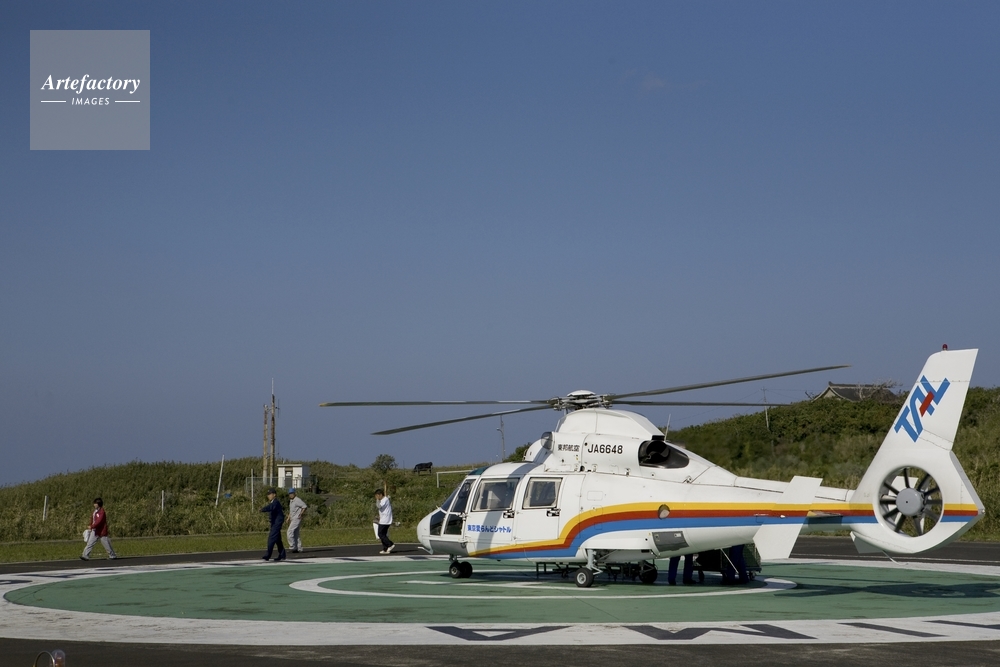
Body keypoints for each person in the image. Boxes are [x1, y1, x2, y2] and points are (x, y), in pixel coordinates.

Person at [260, 488, 286, 561]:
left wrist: (263, 509)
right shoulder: (273, 502)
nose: (268, 496)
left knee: (271, 539)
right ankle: (282, 554)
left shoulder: (275, 502)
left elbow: (271, 507)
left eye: (270, 494)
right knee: (278, 539)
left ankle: (267, 555)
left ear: (274, 495)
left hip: (276, 523)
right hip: (274, 523)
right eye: (268, 494)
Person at [285, 488, 308, 553]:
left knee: (289, 532)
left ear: (294, 493)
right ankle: (298, 548)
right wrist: (288, 518)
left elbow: (304, 506)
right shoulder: (291, 501)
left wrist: (301, 514)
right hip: (292, 518)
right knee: (296, 534)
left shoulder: (297, 500)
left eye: (292, 493)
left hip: (296, 518)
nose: (291, 495)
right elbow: (291, 511)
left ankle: (292, 546)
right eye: (290, 494)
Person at [374, 489, 394, 554]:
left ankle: (390, 544)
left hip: (385, 520)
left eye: (377, 496)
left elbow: (379, 506)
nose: (376, 497)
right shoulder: (384, 500)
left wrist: (377, 500)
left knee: (380, 534)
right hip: (383, 519)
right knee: (383, 534)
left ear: (380, 495)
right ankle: (385, 548)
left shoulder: (385, 500)